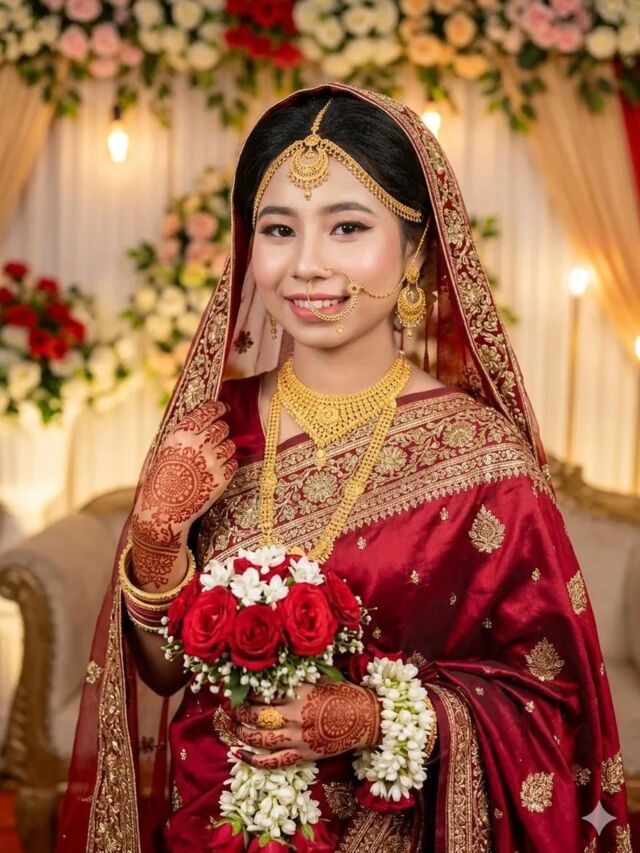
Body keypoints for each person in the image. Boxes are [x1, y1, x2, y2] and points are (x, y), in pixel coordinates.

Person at [57, 83, 631, 853]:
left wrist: (379, 716)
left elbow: (555, 707)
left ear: (417, 250)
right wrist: (158, 540)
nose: (307, 265)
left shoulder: (484, 460)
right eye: (278, 229)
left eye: (348, 227)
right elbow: (165, 675)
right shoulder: (214, 434)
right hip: (213, 827)